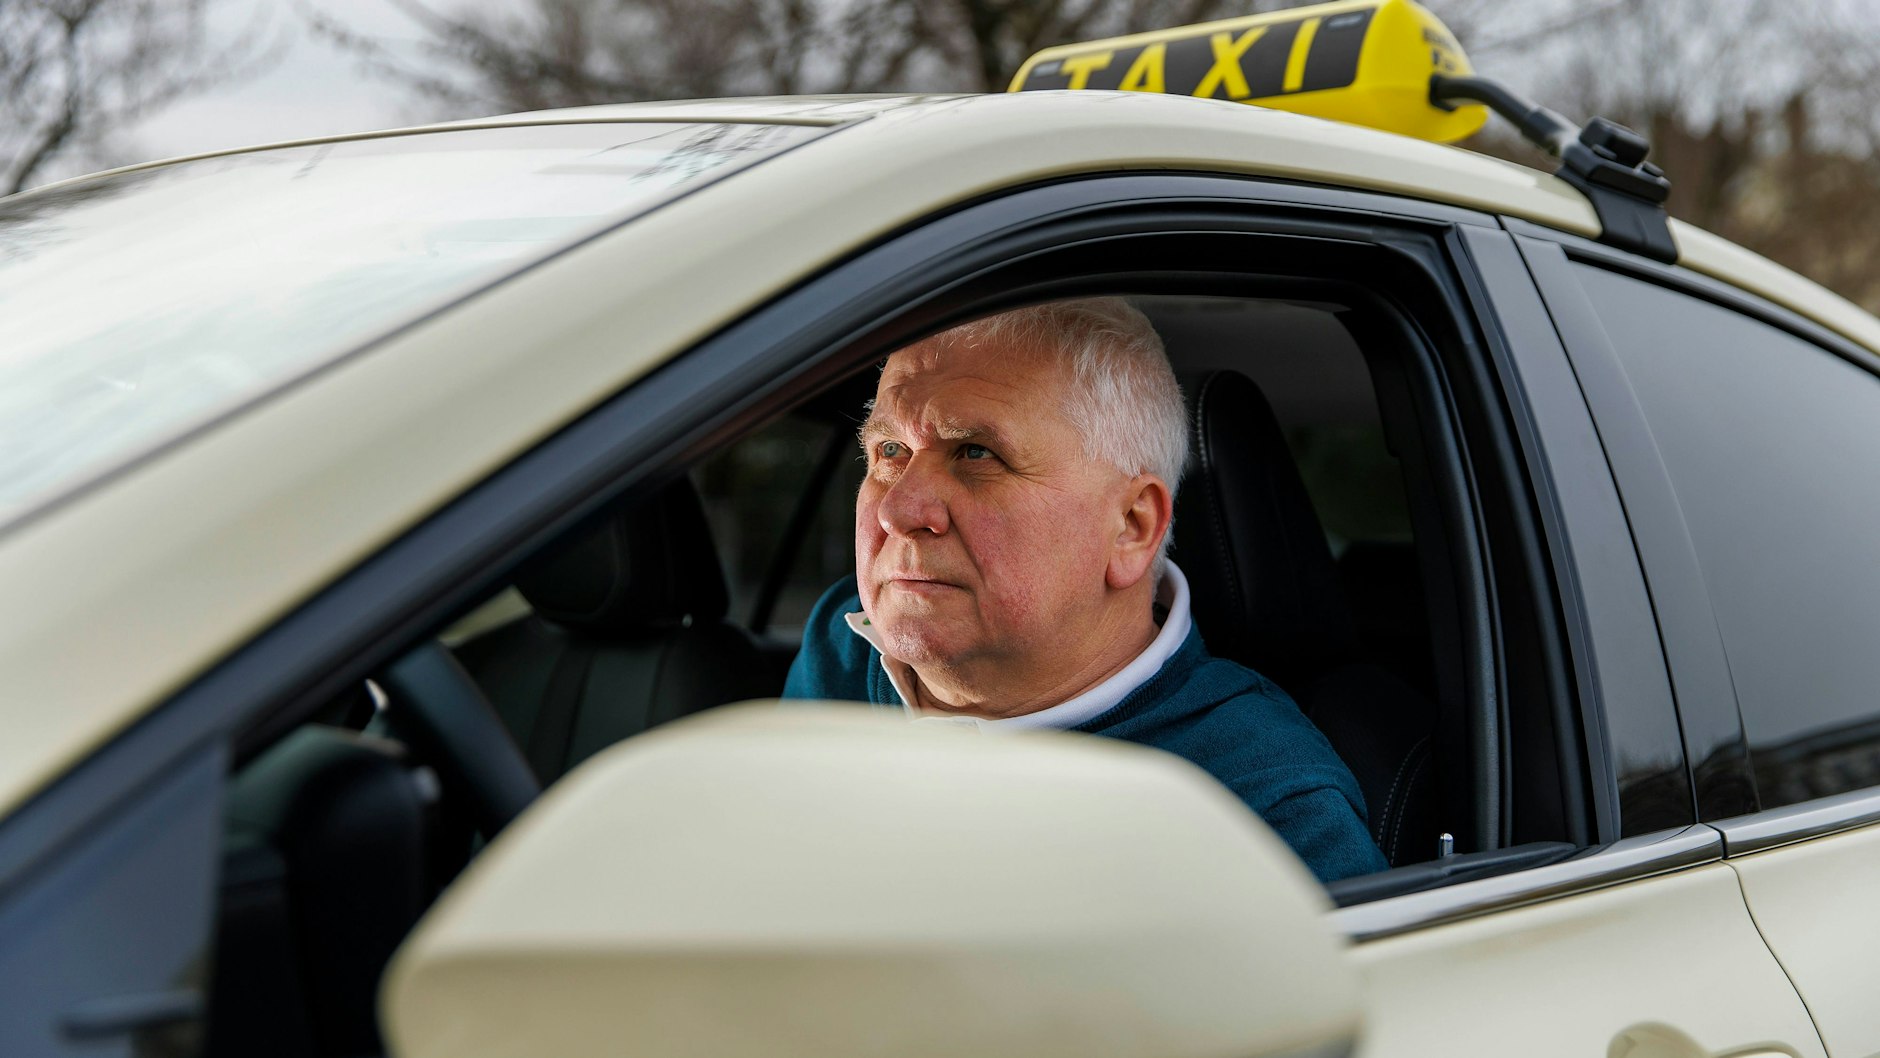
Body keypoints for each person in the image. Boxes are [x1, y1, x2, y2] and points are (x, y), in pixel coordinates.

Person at [783, 297, 1388, 883]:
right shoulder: (842, 642)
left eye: (976, 453)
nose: (897, 509)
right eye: (890, 450)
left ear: (1131, 527)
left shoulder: (1258, 810)